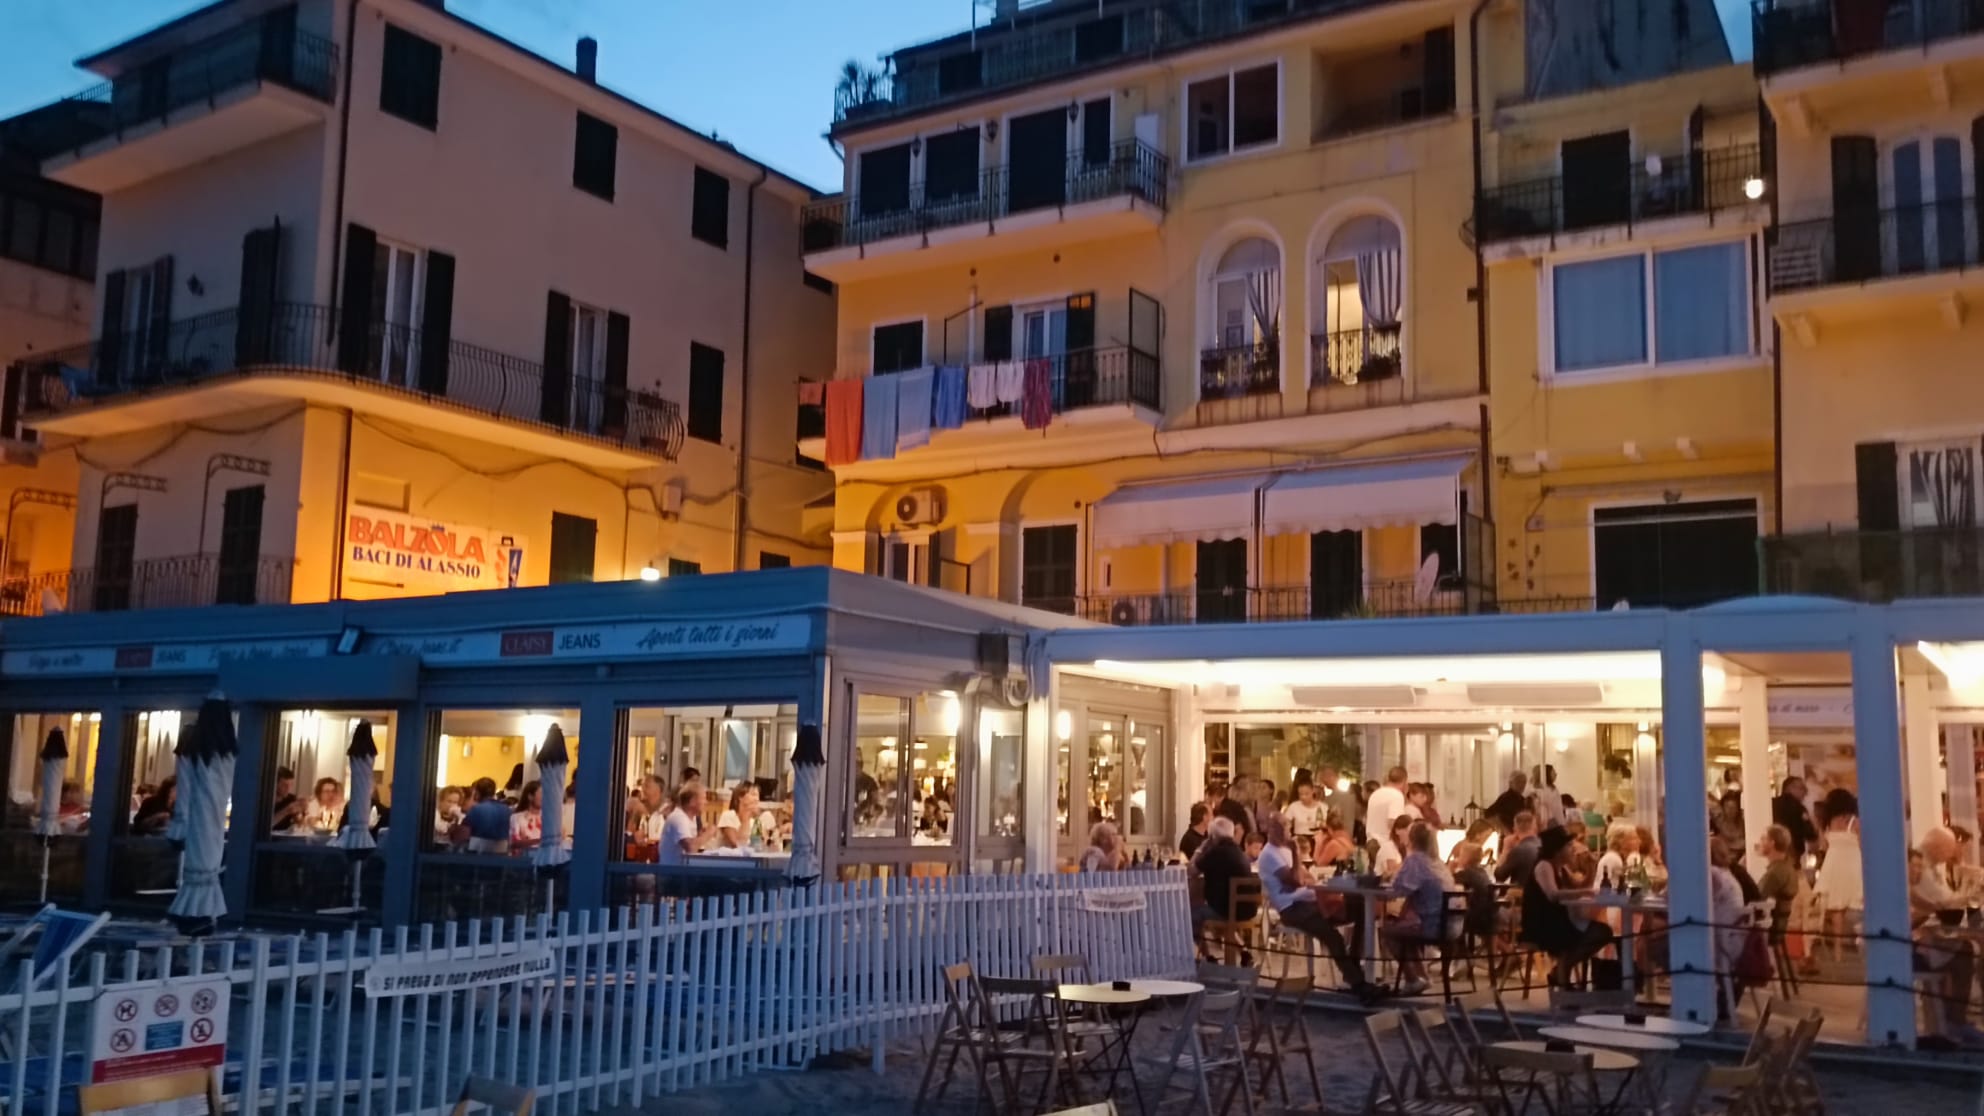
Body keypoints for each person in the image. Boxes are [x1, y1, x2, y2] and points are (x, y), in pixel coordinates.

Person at [1255, 814, 1382, 1003]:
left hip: (1309, 901)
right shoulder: (1270, 854)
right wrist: (1296, 855)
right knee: (1332, 936)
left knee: (1359, 911)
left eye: (1287, 827)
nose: (1287, 832)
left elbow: (1308, 877)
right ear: (1272, 830)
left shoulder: (1284, 850)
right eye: (1283, 828)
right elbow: (1296, 881)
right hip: (1291, 907)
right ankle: (1359, 984)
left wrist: (1300, 871)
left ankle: (1353, 967)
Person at [1909, 834, 1983, 1044]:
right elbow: (1933, 909)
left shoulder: (1911, 892)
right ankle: (1955, 1020)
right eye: (1912, 866)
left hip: (1917, 945)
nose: (1917, 871)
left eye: (1918, 867)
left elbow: (1936, 907)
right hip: (1907, 952)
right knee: (1965, 951)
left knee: (1965, 947)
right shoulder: (1904, 892)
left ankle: (1953, 1018)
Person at [1519, 825, 1614, 986]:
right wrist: (1586, 892)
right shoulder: (1544, 866)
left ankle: (1562, 970)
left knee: (1603, 931)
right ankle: (1564, 970)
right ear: (1557, 850)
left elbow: (1579, 886)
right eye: (1568, 846)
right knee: (1597, 933)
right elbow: (1553, 894)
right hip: (1542, 922)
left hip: (1558, 918)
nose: (1572, 850)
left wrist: (1591, 867)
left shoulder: (1560, 867)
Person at [1385, 821, 1461, 995]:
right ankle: (1422, 977)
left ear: (1411, 839)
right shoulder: (1438, 863)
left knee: (1389, 932)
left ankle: (1413, 979)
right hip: (1452, 925)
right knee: (1405, 929)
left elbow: (1398, 888)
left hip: (1431, 925)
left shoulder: (1415, 860)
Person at [1192, 818, 1256, 964]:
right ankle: (1244, 953)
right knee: (1222, 916)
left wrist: (1201, 848)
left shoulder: (1216, 852)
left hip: (1227, 910)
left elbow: (1193, 870)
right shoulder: (1239, 851)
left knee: (1191, 916)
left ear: (1212, 837)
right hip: (1247, 909)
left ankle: (1207, 957)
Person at [1813, 787, 1862, 918]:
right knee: (1852, 899)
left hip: (1832, 863)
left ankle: (1837, 937)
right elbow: (1863, 844)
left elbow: (1823, 846)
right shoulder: (1855, 822)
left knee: (1834, 904)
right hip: (1852, 862)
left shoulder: (1826, 824)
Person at [1772, 777, 1820, 862]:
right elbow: (1810, 834)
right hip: (1791, 853)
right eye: (1802, 788)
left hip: (1772, 851)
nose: (1806, 793)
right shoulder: (1799, 808)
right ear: (1790, 788)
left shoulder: (1771, 804)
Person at [658, 785, 707, 866]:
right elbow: (691, 848)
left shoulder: (691, 818)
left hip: (683, 873)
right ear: (692, 801)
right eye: (703, 798)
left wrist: (700, 836)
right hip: (672, 875)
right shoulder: (678, 818)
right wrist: (708, 834)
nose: (706, 802)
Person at [1365, 767, 1411, 851]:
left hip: (1371, 842)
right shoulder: (1396, 795)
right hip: (1385, 844)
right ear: (1404, 781)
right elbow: (1394, 822)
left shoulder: (1375, 794)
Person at [463, 777, 511, 854]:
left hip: (478, 851)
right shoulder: (506, 809)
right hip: (501, 852)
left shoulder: (476, 809)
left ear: (477, 792)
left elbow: (464, 833)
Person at [1494, 811, 1540, 886]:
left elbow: (1499, 876)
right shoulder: (1544, 845)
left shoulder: (1519, 851)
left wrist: (1506, 849)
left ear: (1515, 829)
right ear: (1535, 828)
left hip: (1524, 895)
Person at [1595, 822, 1641, 891]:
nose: (1639, 841)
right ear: (1621, 841)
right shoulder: (1613, 858)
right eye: (1634, 838)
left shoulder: (1618, 858)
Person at [1283, 780, 1325, 855]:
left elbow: (1327, 824)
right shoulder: (1294, 806)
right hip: (1299, 840)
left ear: (1313, 791)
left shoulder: (1322, 807)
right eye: (1300, 794)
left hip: (1316, 841)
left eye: (1306, 794)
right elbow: (1285, 822)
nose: (1303, 797)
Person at [717, 783, 761, 849]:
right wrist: (747, 815)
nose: (757, 799)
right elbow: (736, 845)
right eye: (753, 794)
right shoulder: (728, 816)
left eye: (758, 795)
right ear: (740, 797)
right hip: (729, 858)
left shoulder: (755, 821)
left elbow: (757, 847)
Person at [1374, 813, 1412, 879]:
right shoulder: (1389, 847)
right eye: (1406, 830)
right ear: (1397, 830)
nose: (1409, 833)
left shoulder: (1407, 849)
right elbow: (1391, 872)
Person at [508, 780, 543, 849]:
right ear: (530, 796)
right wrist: (540, 841)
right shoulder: (517, 818)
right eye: (542, 793)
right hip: (524, 858)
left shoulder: (549, 819)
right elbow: (514, 843)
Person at [269, 766, 304, 833]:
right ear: (275, 784)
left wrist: (301, 814)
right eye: (284, 785)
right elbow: (265, 825)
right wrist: (286, 811)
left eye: (290, 785)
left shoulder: (291, 799)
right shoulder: (266, 799)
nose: (288, 789)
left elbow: (299, 825)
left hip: (285, 838)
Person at [1531, 765, 1566, 830]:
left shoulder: (1532, 789)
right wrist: (1562, 824)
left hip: (1536, 822)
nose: (1556, 774)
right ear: (1547, 774)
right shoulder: (1552, 790)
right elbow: (1557, 810)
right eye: (1553, 772)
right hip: (1550, 822)